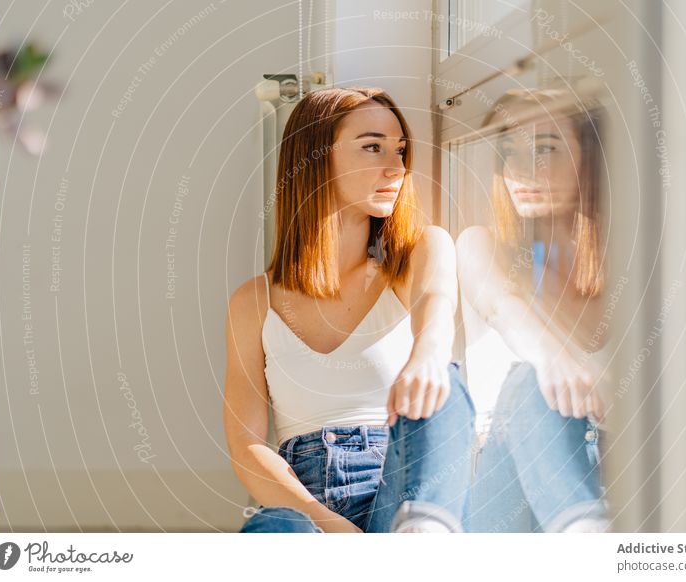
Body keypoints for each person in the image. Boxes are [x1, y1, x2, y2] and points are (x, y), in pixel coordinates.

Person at [224, 86, 475, 533]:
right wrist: (334, 531)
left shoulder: (417, 255)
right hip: (307, 508)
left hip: (401, 493)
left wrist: (428, 354)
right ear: (317, 157)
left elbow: (437, 303)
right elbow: (247, 446)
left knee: (447, 384)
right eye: (372, 147)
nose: (395, 168)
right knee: (275, 528)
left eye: (400, 151)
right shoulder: (252, 303)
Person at [457, 87, 613, 532]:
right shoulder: (481, 246)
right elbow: (502, 307)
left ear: (592, 155)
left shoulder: (629, 271)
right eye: (511, 151)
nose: (522, 170)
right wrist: (552, 359)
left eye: (544, 148)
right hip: (506, 505)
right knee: (528, 382)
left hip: (611, 476)